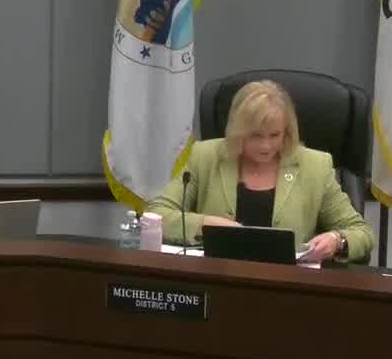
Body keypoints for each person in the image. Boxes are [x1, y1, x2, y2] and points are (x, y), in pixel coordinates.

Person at [143, 80, 373, 262]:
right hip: (217, 279)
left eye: (275, 135)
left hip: (288, 286)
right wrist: (207, 224)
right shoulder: (206, 156)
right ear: (237, 130)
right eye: (255, 135)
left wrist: (337, 240)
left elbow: (361, 233)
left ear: (287, 131)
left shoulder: (315, 166)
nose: (266, 146)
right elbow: (156, 214)